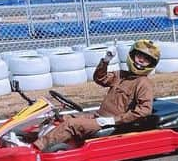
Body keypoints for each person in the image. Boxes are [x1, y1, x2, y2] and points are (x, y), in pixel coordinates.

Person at [28, 39, 160, 152]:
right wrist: (106, 60)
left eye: (146, 59)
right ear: (132, 55)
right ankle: (27, 138)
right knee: (61, 118)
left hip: (112, 124)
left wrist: (114, 120)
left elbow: (144, 110)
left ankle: (35, 149)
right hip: (98, 117)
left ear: (151, 64)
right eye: (139, 56)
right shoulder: (121, 75)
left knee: (71, 124)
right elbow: (100, 78)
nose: (141, 60)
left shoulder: (143, 83)